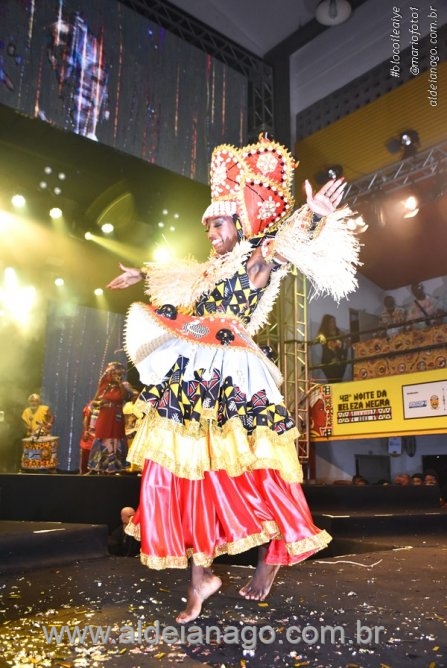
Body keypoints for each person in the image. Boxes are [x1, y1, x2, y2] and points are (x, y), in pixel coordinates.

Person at [107, 134, 363, 623]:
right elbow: (173, 277)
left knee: (254, 470)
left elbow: (284, 248)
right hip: (192, 374)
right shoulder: (206, 272)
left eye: (218, 222)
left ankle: (271, 555)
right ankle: (200, 578)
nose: (210, 232)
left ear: (239, 223)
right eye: (207, 225)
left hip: (232, 374)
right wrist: (140, 273)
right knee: (183, 468)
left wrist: (312, 216)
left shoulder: (254, 260)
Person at [87, 361, 137, 475]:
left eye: (119, 374)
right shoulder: (104, 386)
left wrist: (120, 384)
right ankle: (96, 467)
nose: (117, 375)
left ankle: (114, 468)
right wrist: (99, 403)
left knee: (116, 438)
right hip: (104, 415)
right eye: (114, 373)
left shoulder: (124, 385)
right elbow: (94, 401)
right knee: (101, 437)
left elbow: (124, 397)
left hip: (116, 416)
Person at [316, 314, 349, 383]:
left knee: (339, 380)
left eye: (334, 321)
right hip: (329, 362)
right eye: (331, 321)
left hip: (340, 361)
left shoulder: (339, 332)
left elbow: (348, 343)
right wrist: (321, 337)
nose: (334, 323)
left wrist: (344, 337)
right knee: (332, 381)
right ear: (327, 323)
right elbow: (321, 342)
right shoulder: (323, 334)